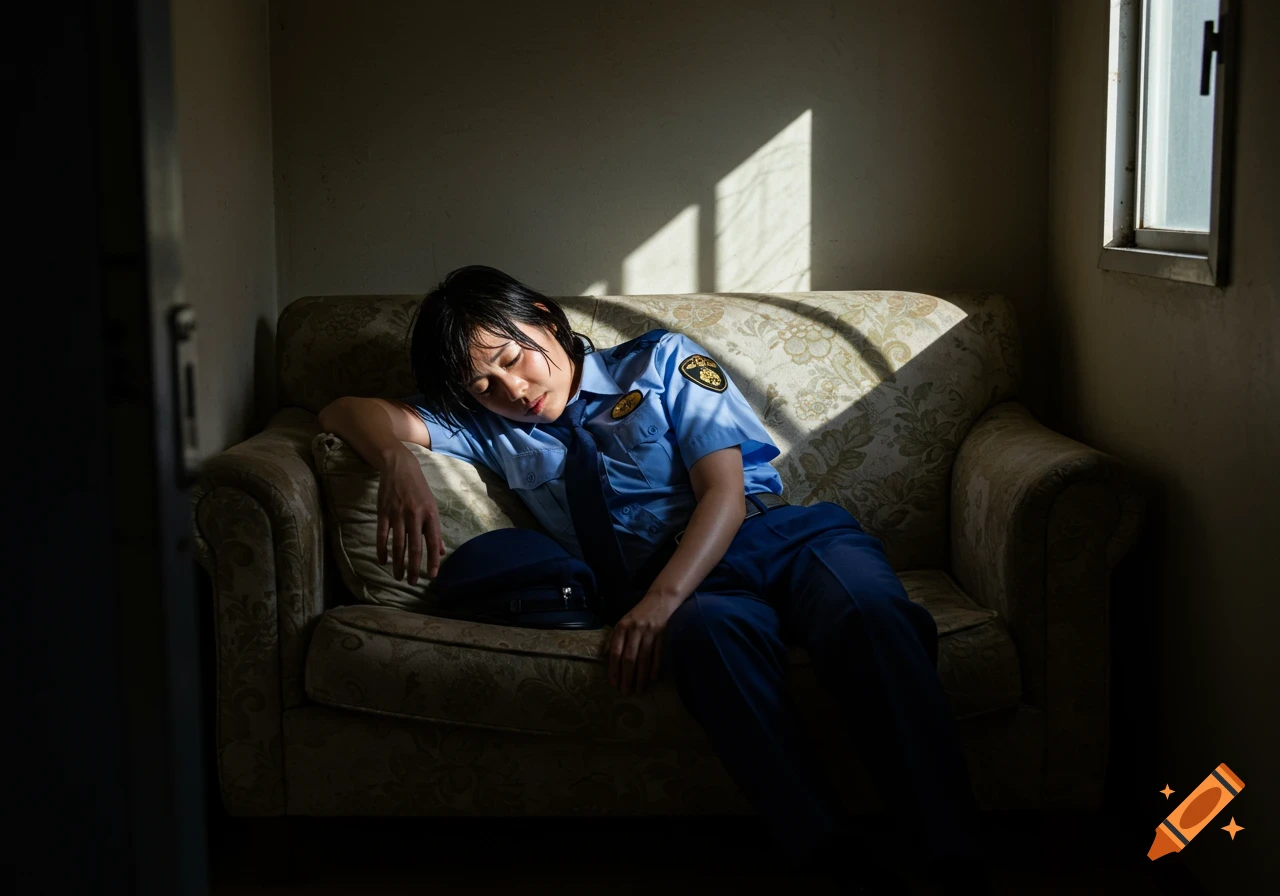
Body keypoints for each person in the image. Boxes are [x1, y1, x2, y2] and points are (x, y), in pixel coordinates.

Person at [317, 265, 990, 894]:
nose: (514, 391)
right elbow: (344, 409)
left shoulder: (662, 362)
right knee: (709, 642)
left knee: (869, 612)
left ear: (547, 319)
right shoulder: (489, 427)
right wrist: (398, 463)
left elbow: (723, 493)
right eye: (483, 385)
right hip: (697, 592)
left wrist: (657, 603)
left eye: (514, 357)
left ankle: (948, 850)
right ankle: (826, 853)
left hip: (773, 536)